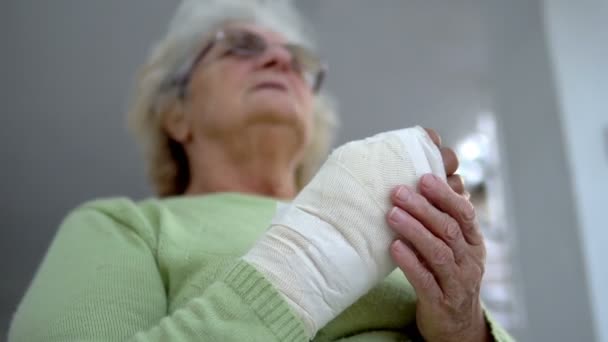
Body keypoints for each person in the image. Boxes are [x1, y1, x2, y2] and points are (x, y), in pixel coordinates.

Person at [8, 0, 513, 341]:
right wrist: (303, 271)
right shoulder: (124, 226)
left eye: (296, 60)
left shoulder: (387, 216)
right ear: (176, 113)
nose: (278, 59)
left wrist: (467, 326)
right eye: (240, 47)